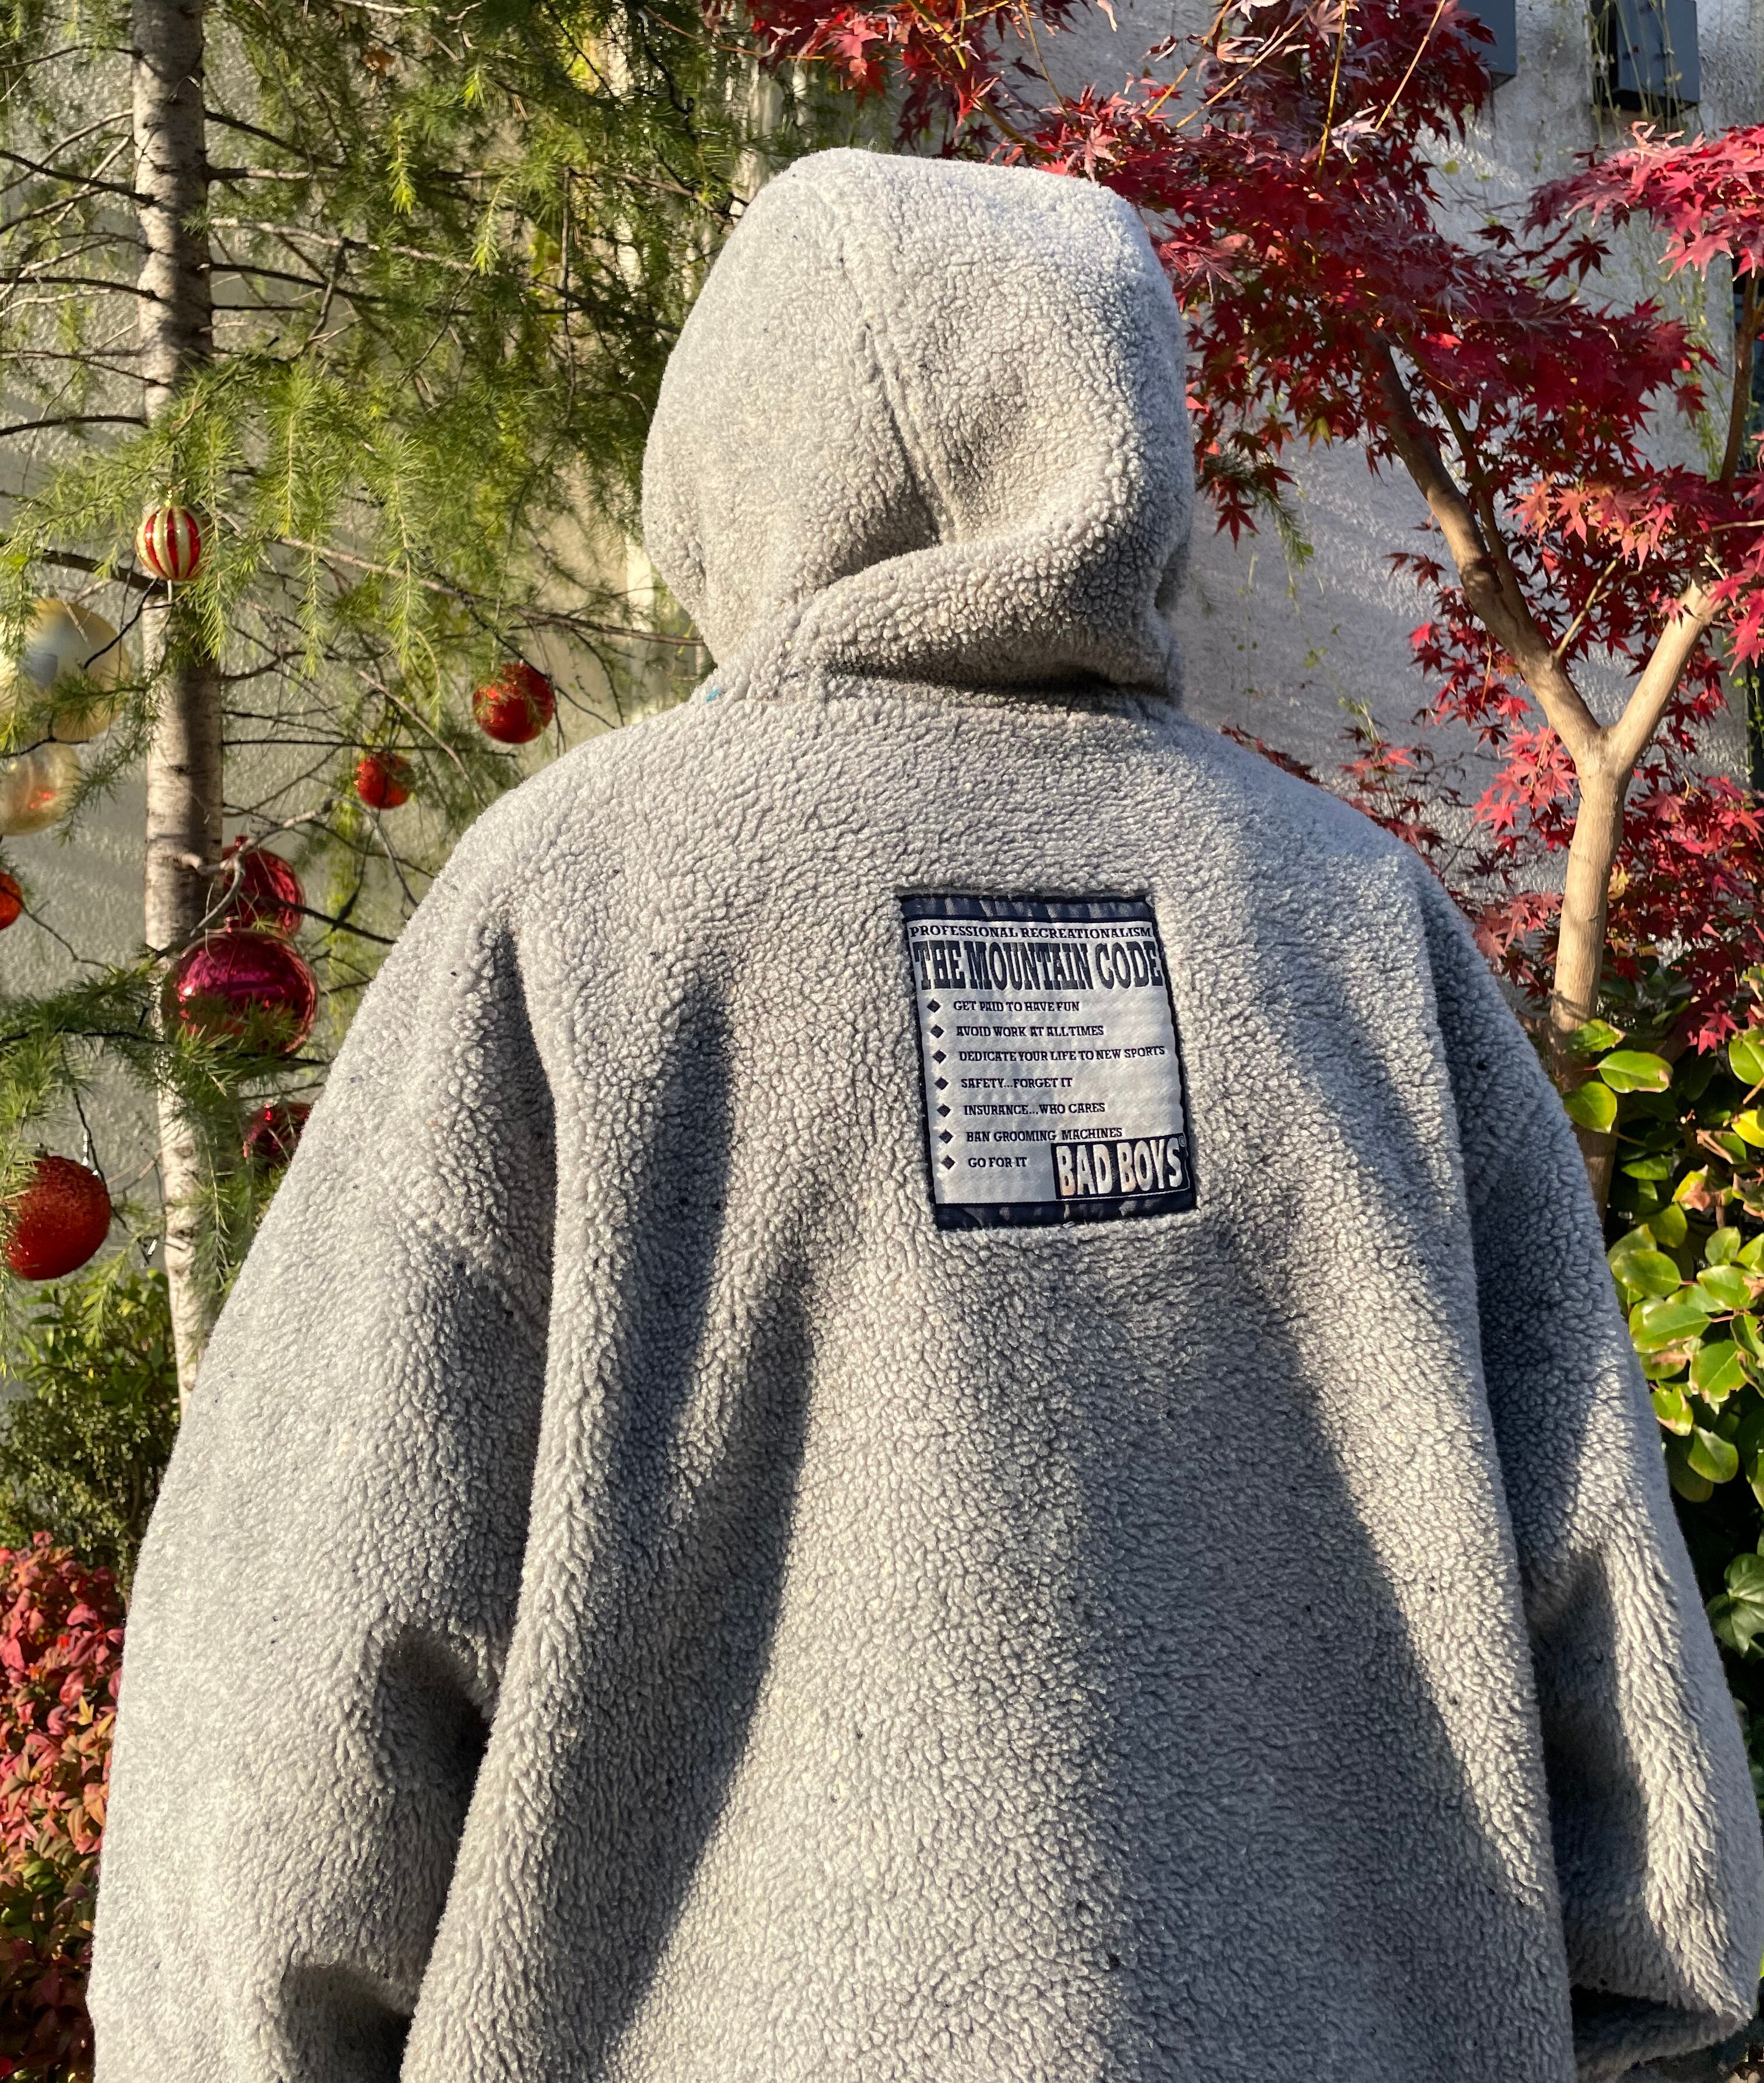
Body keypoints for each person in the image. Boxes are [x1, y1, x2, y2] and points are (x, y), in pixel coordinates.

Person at [92, 149, 1764, 2082]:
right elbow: (1653, 1808)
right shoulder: (1357, 924)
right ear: (1133, 448)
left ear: (728, 466)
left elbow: (293, 1697)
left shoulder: (578, 911)